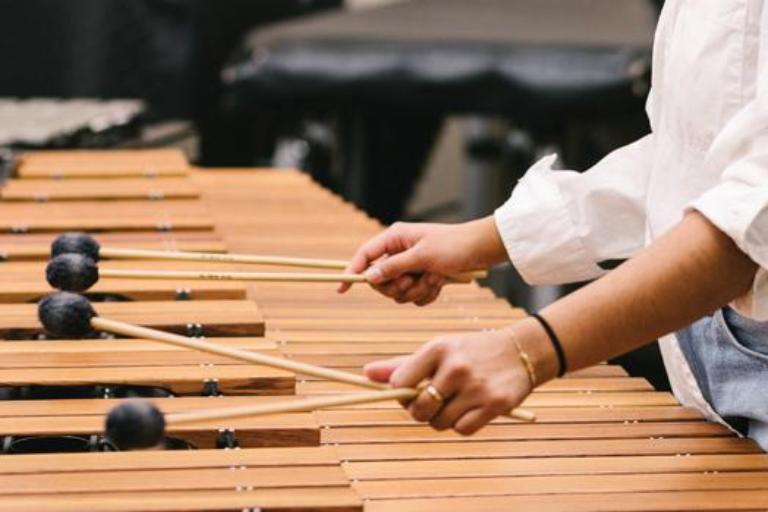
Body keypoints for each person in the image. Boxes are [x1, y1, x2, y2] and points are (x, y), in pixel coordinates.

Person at [338, 0, 768, 450]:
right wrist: (487, 237)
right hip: (707, 362)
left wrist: (529, 351)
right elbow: (689, 164)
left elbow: (749, 226)